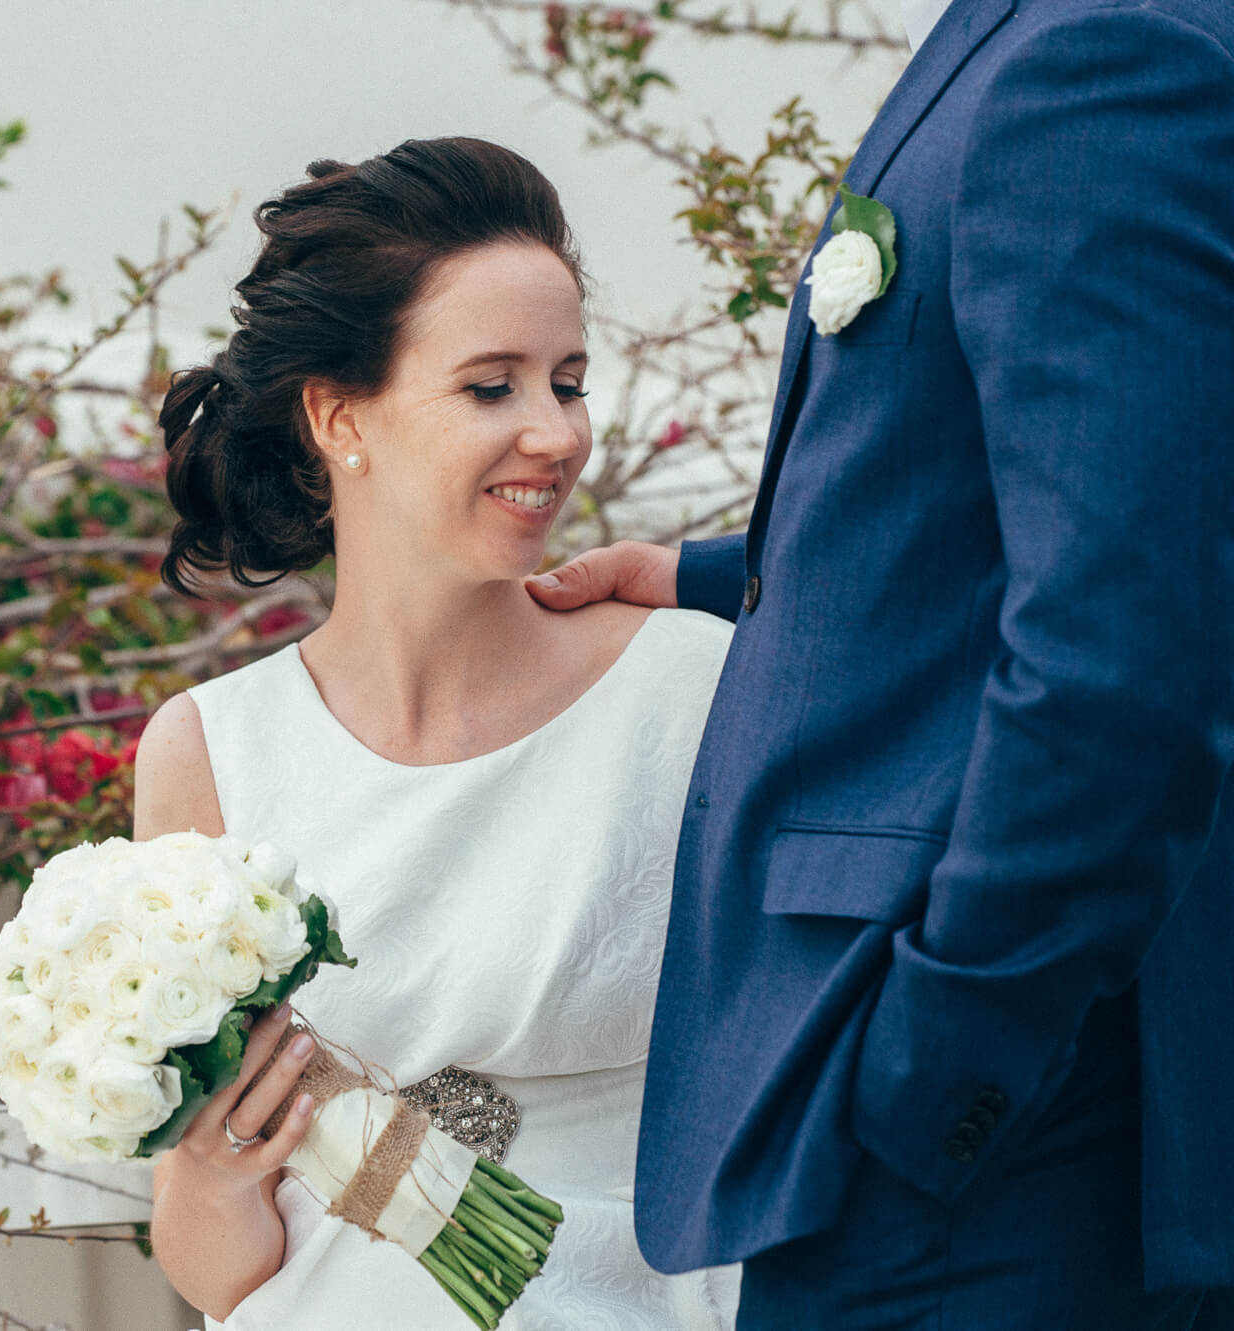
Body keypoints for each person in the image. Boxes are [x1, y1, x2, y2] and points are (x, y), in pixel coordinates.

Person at [525, 0, 1234, 1326]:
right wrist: (709, 572)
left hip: (1001, 1144)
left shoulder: (1104, 60)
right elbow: (1105, 511)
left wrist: (940, 1064)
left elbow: (1123, 652)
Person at [132, 137, 739, 1330]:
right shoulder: (207, 748)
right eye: (490, 384)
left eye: (566, 380)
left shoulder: (691, 684)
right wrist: (209, 1166)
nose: (556, 434)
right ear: (336, 416)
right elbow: (211, 1271)